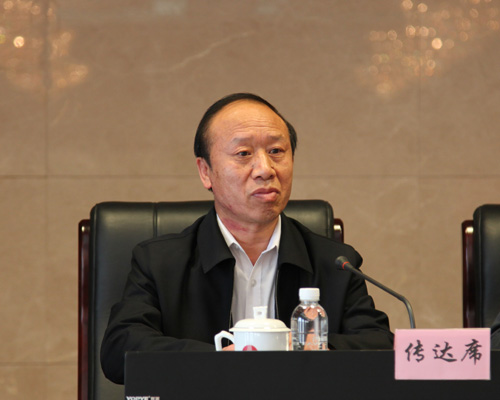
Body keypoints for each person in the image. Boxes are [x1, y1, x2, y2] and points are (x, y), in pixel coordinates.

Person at [100, 93, 394, 384]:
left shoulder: (335, 263)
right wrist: (222, 360)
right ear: (205, 172)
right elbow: (120, 349)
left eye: (276, 151)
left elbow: (380, 345)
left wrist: (299, 351)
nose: (265, 169)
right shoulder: (159, 262)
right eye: (243, 154)